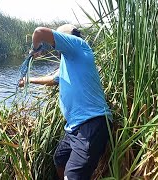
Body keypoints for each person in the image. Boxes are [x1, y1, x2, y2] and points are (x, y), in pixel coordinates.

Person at [19, 24, 112, 180]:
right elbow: (54, 79)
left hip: (91, 124)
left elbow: (39, 32)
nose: (56, 49)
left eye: (57, 45)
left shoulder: (77, 45)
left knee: (73, 177)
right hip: (74, 127)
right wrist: (29, 80)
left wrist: (36, 49)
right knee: (60, 160)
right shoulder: (70, 62)